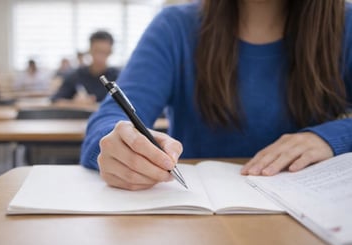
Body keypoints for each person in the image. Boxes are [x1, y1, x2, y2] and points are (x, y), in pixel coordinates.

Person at [81, 0, 352, 191]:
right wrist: (116, 146)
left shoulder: (346, 25)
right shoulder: (174, 27)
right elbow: (110, 119)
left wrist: (332, 138)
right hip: (201, 223)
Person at [51, 31, 120, 105]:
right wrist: (74, 103)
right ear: (90, 50)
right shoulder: (76, 76)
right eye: (96, 51)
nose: (100, 57)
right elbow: (55, 101)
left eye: (104, 52)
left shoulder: (118, 77)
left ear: (110, 52)